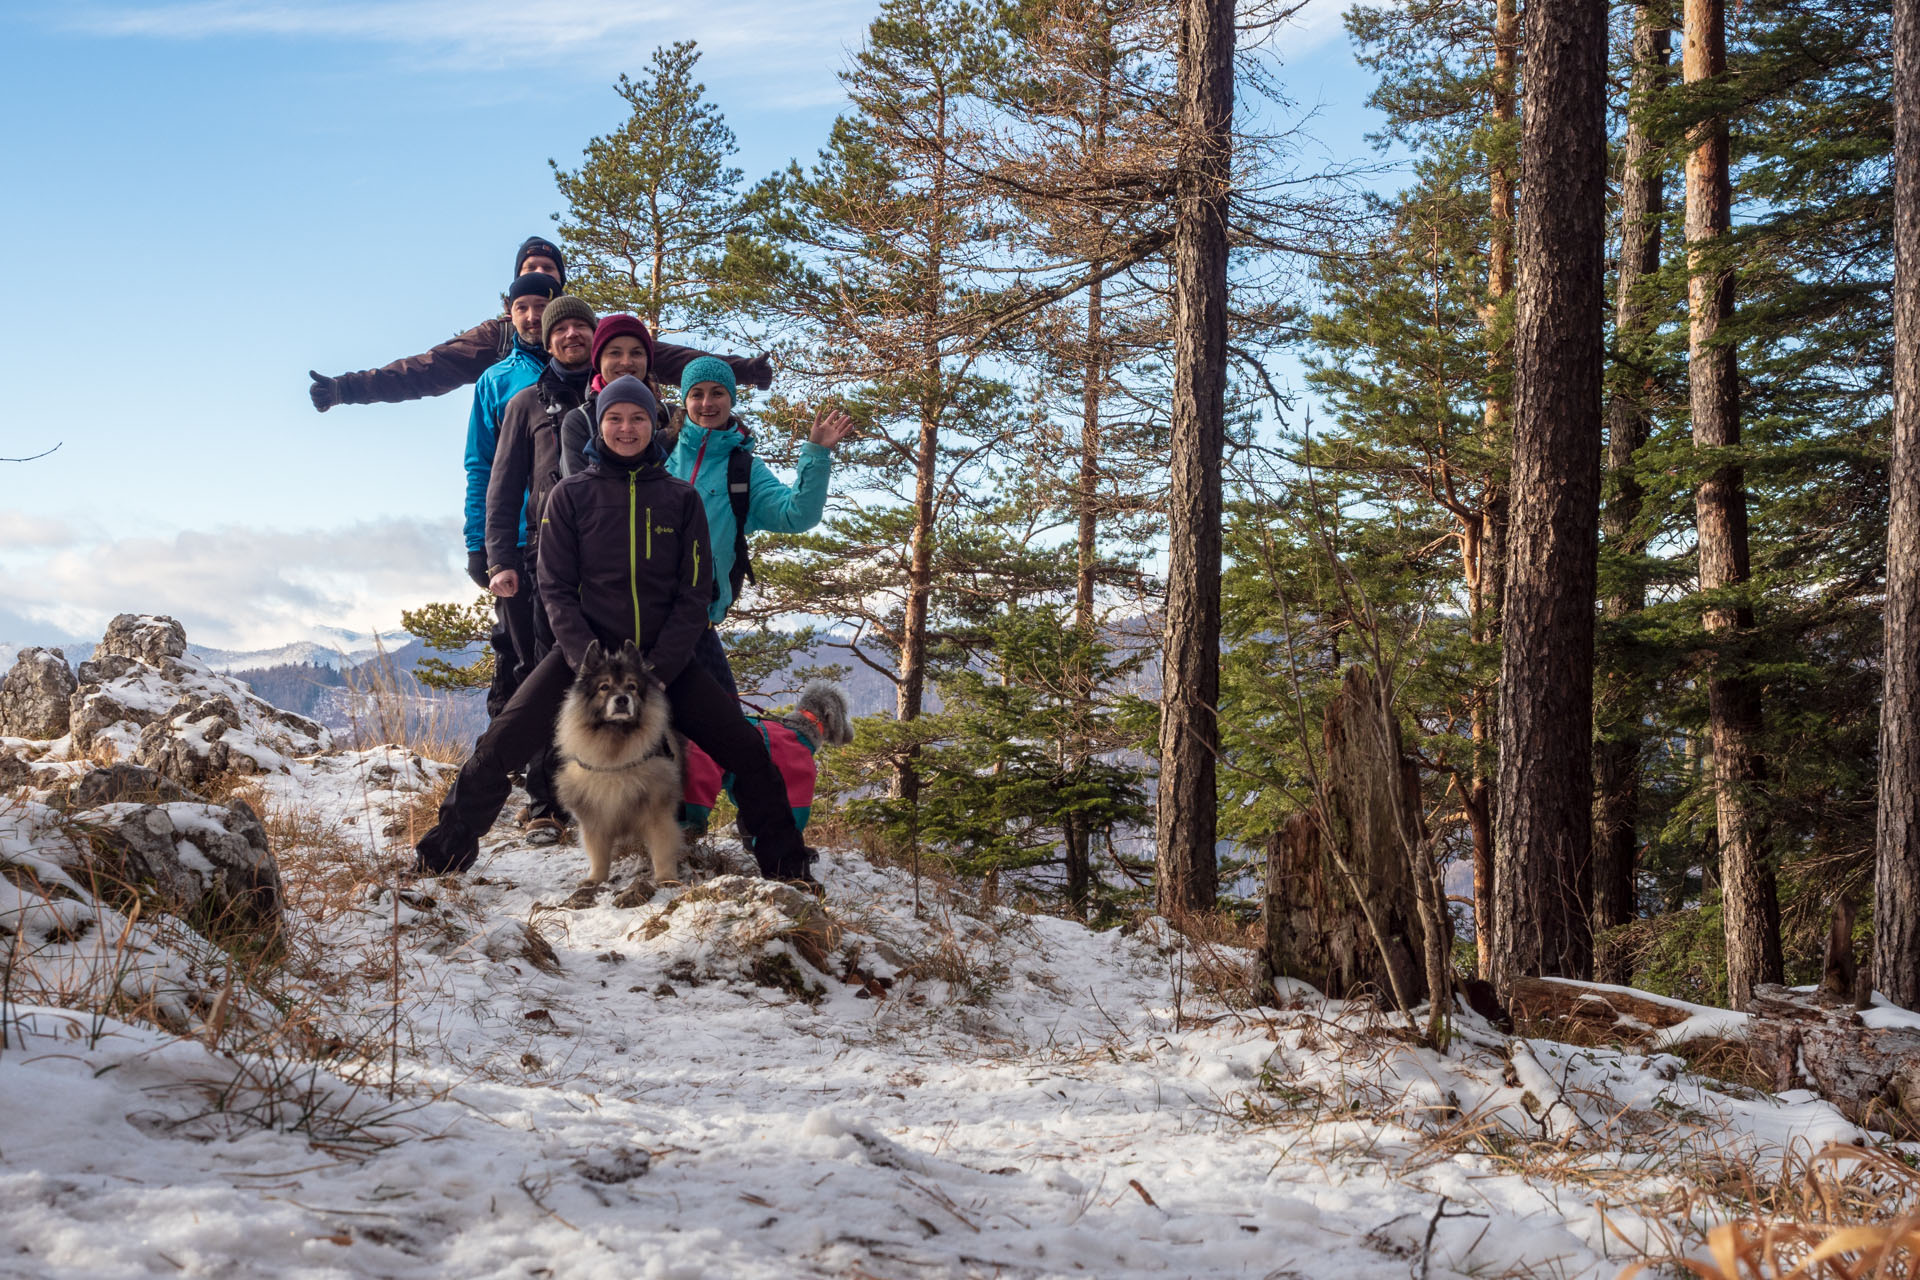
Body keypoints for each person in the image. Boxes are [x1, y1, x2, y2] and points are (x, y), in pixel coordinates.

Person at [413, 375, 818, 885]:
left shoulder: (681, 500)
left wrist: (661, 669)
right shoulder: (569, 496)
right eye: (615, 418)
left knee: (747, 751)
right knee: (498, 746)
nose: (626, 428)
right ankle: (437, 861)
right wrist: (588, 663)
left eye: (638, 418)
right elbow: (555, 589)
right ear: (599, 424)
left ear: (654, 424)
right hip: (583, 663)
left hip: (663, 662)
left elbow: (694, 595)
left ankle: (789, 869)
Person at [307, 236, 773, 411]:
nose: (541, 280)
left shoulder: (587, 337)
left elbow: (671, 358)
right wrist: (347, 388)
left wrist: (741, 370)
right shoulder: (497, 340)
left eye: (550, 273)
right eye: (530, 270)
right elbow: (425, 370)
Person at [665, 356, 854, 696]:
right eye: (697, 393)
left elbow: (796, 514)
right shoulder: (659, 450)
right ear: (685, 400)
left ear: (731, 399)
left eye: (717, 393)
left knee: (727, 740)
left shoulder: (743, 470)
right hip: (642, 620)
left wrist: (816, 454)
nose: (707, 403)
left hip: (698, 625)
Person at [483, 295, 599, 837]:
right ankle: (544, 804)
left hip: (608, 565)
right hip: (540, 561)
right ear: (545, 339)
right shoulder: (525, 403)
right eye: (562, 328)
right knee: (538, 680)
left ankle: (602, 798)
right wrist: (499, 559)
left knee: (603, 677)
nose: (571, 335)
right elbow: (502, 488)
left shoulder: (619, 399)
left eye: (581, 327)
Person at [466, 274, 565, 714]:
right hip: (521, 545)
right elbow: (482, 467)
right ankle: (519, 767)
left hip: (586, 543)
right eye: (521, 307)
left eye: (541, 304)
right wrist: (480, 544)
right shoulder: (496, 381)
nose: (531, 315)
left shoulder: (593, 369)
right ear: (510, 312)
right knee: (524, 661)